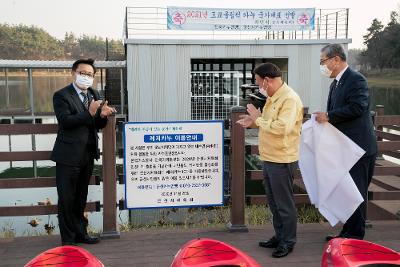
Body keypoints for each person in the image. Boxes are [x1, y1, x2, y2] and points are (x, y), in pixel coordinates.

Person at [237, 63, 303, 258]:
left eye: (258, 82)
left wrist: (257, 120)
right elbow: (268, 124)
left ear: (267, 80)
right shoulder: (273, 97)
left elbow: (282, 127)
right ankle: (280, 236)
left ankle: (288, 242)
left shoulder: (289, 99)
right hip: (269, 156)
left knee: (284, 203)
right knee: (274, 202)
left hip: (282, 158)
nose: (258, 86)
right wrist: (254, 121)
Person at [314, 44, 377, 240]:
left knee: (356, 194)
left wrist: (329, 116)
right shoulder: (335, 83)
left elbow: (358, 107)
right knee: (346, 193)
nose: (322, 65)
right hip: (344, 147)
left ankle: (355, 238)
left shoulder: (356, 79)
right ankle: (347, 232)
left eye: (323, 61)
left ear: (336, 59)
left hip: (359, 148)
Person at [51, 58, 116, 246]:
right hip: (67, 156)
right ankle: (69, 240)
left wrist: (102, 116)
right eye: (83, 73)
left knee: (80, 198)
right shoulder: (61, 95)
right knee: (66, 199)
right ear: (74, 73)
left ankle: (81, 233)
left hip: (87, 154)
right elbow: (66, 121)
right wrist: (89, 112)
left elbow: (95, 124)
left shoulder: (94, 94)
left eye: (90, 74)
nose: (86, 77)